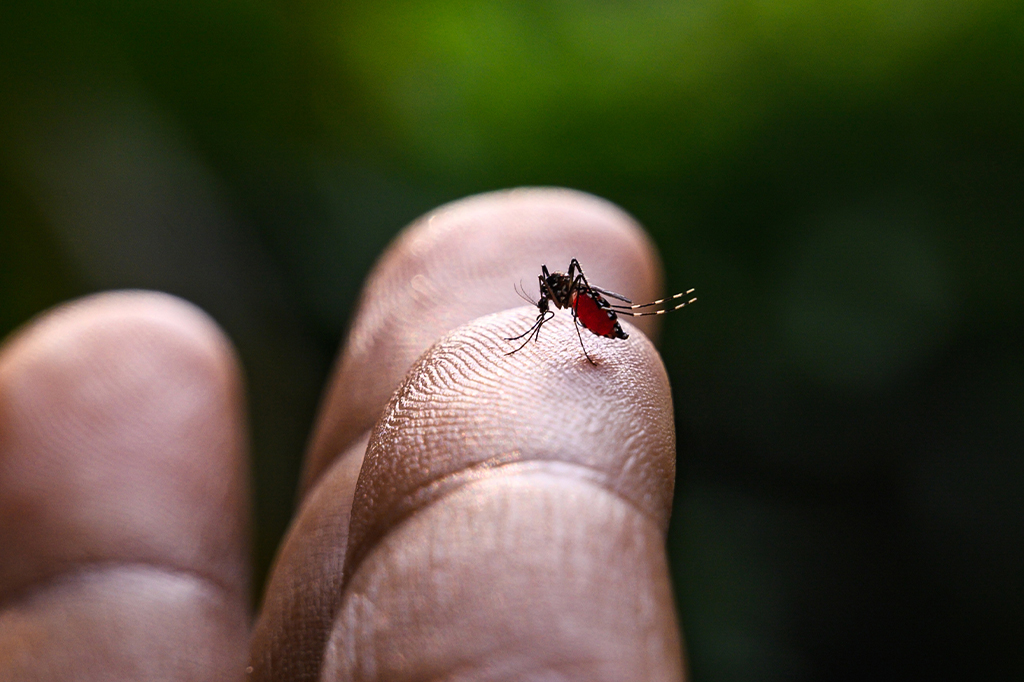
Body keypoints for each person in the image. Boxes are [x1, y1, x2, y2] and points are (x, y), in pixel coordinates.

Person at [0, 189, 684, 680]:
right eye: (555, 293)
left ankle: (628, 315)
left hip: (600, 334)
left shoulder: (572, 296)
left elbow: (566, 299)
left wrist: (587, 316)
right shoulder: (557, 295)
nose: (549, 293)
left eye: (552, 292)